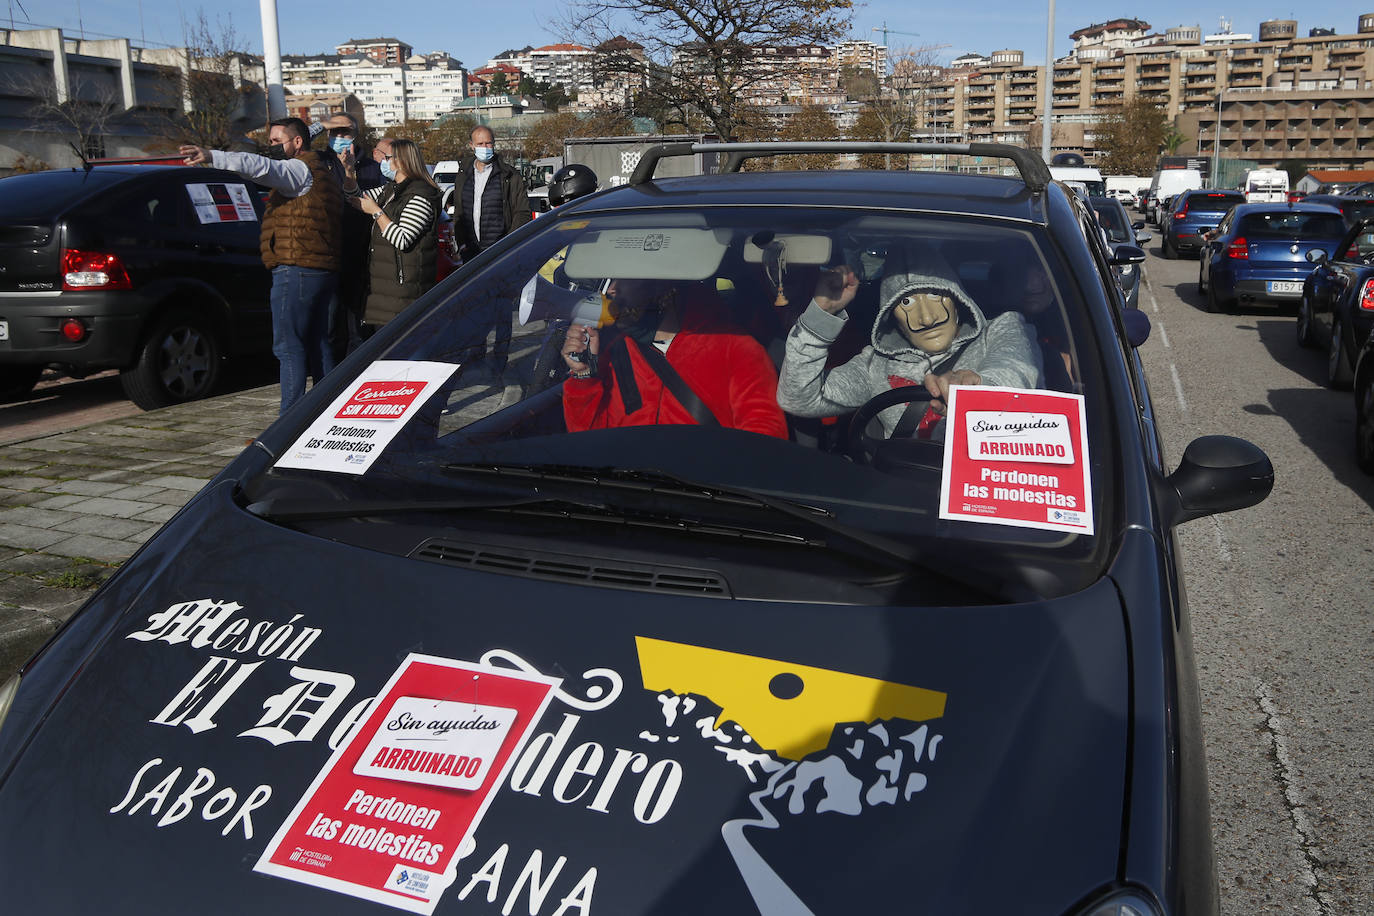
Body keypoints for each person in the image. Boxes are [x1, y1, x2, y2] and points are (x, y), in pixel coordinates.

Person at [776, 250, 1043, 439]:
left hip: (986, 495)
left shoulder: (1003, 329)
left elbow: (1017, 369)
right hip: (904, 500)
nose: (927, 318)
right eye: (906, 303)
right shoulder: (874, 364)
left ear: (957, 299)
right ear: (891, 315)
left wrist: (978, 386)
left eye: (935, 295)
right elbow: (797, 399)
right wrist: (819, 317)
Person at [180, 117, 342, 413]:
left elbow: (261, 167)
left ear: (297, 143)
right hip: (319, 268)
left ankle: (288, 421)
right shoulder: (321, 169)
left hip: (296, 267)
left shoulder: (297, 170)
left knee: (287, 346)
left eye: (276, 141)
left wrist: (213, 156)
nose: (271, 147)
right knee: (318, 343)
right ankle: (327, 409)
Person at [559, 278, 788, 438]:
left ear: (664, 290)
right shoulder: (612, 349)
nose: (611, 290)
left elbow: (763, 440)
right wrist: (583, 375)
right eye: (611, 280)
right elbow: (589, 442)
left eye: (625, 278)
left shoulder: (737, 349)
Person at [341, 138, 442, 334]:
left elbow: (402, 239)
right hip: (385, 290)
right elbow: (356, 198)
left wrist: (377, 212)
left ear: (402, 161)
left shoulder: (421, 195)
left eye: (388, 158)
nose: (383, 162)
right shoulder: (391, 190)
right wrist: (348, 172)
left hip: (404, 292)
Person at [321, 113, 384, 359]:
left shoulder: (370, 168)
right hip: (329, 253)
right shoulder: (319, 163)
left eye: (345, 132)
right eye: (334, 132)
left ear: (356, 135)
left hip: (361, 254)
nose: (339, 137)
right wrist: (324, 123)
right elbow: (296, 139)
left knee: (358, 326)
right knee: (330, 325)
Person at [451, 125, 531, 262]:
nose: (485, 147)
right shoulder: (463, 176)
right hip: (471, 254)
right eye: (480, 144)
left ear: (494, 144)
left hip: (501, 254)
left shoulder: (509, 176)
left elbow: (522, 212)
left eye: (488, 143)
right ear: (472, 146)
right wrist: (462, 244)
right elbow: (459, 212)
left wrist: (509, 245)